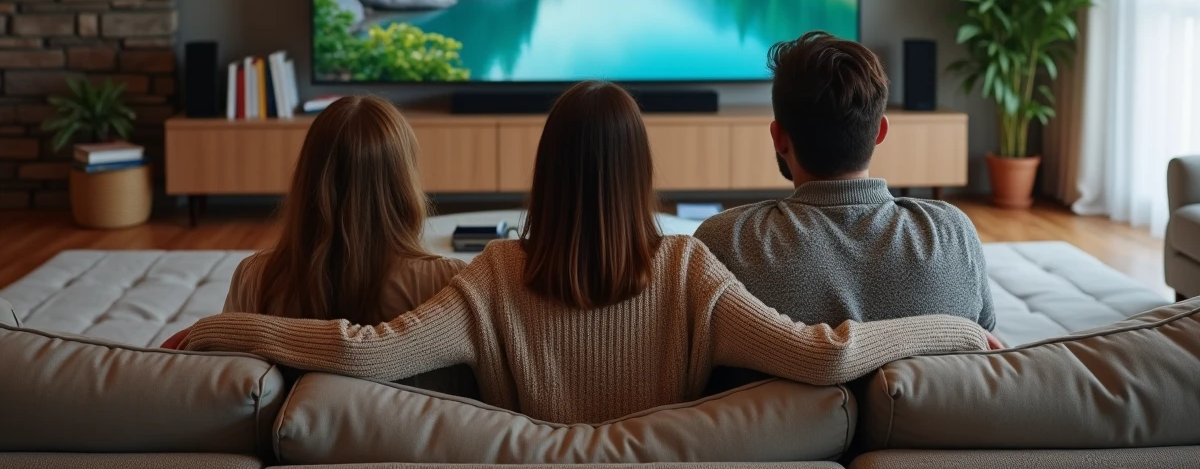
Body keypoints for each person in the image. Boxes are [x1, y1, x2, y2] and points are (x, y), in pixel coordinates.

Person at [173, 81, 993, 425]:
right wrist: (954, 330)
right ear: (642, 175)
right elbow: (823, 355)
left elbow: (364, 351)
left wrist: (223, 328)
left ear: (544, 172)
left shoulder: (492, 275)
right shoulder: (689, 268)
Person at [695, 32, 996, 333]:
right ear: (880, 131)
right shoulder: (954, 233)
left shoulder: (724, 244)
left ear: (778, 137)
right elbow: (984, 341)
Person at [169, 95, 471, 393]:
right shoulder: (445, 281)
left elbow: (228, 390)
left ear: (309, 177)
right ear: (403, 181)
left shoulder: (255, 278)